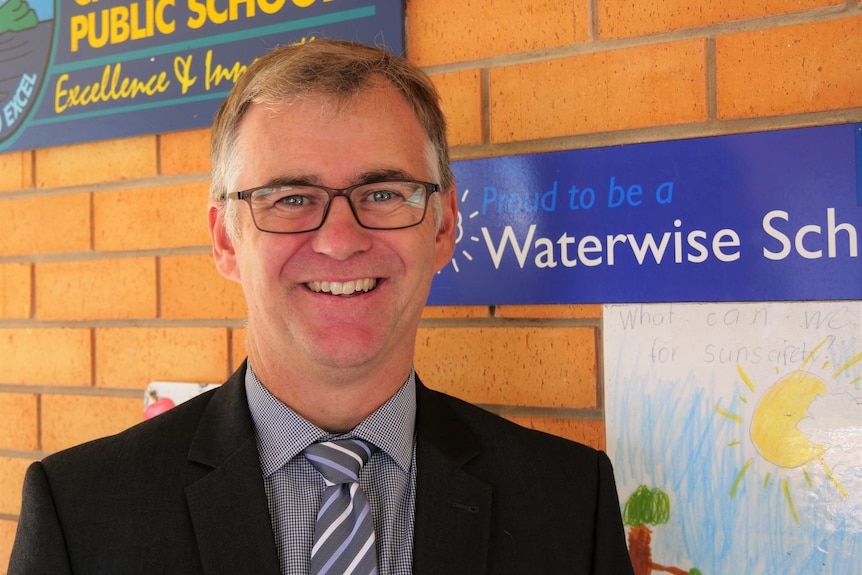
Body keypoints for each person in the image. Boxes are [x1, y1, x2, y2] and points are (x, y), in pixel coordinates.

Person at [8, 40, 635, 575]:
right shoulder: (82, 514)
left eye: (384, 192)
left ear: (443, 227)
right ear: (227, 239)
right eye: (290, 199)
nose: (340, 241)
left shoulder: (570, 504)